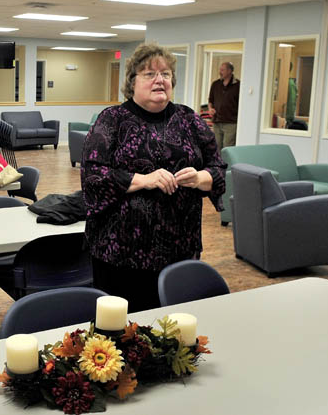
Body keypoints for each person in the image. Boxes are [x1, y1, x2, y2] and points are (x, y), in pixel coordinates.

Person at [81, 43, 226, 312]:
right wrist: (144, 179)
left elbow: (218, 169)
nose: (160, 80)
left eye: (166, 74)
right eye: (149, 74)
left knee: (173, 325)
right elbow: (93, 176)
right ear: (132, 82)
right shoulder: (112, 120)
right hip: (122, 254)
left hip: (180, 248)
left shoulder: (189, 119)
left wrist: (200, 177)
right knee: (126, 332)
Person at [208, 62, 239, 151]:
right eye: (220, 70)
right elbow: (211, 100)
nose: (220, 72)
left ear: (230, 71)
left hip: (231, 122)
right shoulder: (215, 84)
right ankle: (218, 165)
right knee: (217, 146)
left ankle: (228, 165)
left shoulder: (238, 85)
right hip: (217, 121)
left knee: (227, 148)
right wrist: (210, 109)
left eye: (222, 70)